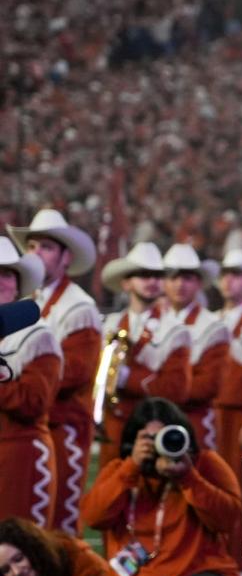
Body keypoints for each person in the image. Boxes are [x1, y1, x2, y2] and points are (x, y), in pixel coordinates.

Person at [80, 397, 242, 576]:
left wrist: (188, 478)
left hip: (194, 574)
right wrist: (131, 467)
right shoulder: (120, 470)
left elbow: (228, 520)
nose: (158, 446)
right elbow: (93, 518)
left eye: (165, 437)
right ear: (133, 441)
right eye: (149, 439)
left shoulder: (204, 464)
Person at [7, 209, 102, 535]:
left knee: (58, 521)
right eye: (31, 246)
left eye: (45, 247)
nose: (35, 254)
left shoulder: (80, 307)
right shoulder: (27, 300)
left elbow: (75, 372)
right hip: (28, 422)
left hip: (65, 428)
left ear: (66, 258)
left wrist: (22, 373)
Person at [99, 243, 192, 465]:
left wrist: (127, 377)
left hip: (152, 427)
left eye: (157, 276)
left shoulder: (176, 330)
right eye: (143, 275)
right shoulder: (109, 324)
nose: (152, 282)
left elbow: (176, 389)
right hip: (113, 426)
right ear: (126, 282)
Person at [0, 238, 61, 528]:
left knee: (18, 551)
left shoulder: (38, 335)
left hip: (19, 457)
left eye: (7, 273)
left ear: (19, 283)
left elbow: (32, 401)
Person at [211, 248, 242, 572]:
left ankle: (238, 562)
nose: (229, 281)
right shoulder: (212, 320)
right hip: (210, 415)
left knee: (237, 487)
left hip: (235, 417)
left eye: (238, 275)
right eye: (226, 274)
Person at [163, 244, 229, 451]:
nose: (179, 285)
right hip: (157, 419)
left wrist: (155, 388)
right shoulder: (153, 321)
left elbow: (208, 385)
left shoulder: (213, 327)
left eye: (187, 278)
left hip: (195, 422)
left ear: (199, 283)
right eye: (173, 278)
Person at [0, 516, 109, 576]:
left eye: (18, 559)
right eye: (6, 570)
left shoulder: (86, 569)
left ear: (34, 550)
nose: (16, 572)